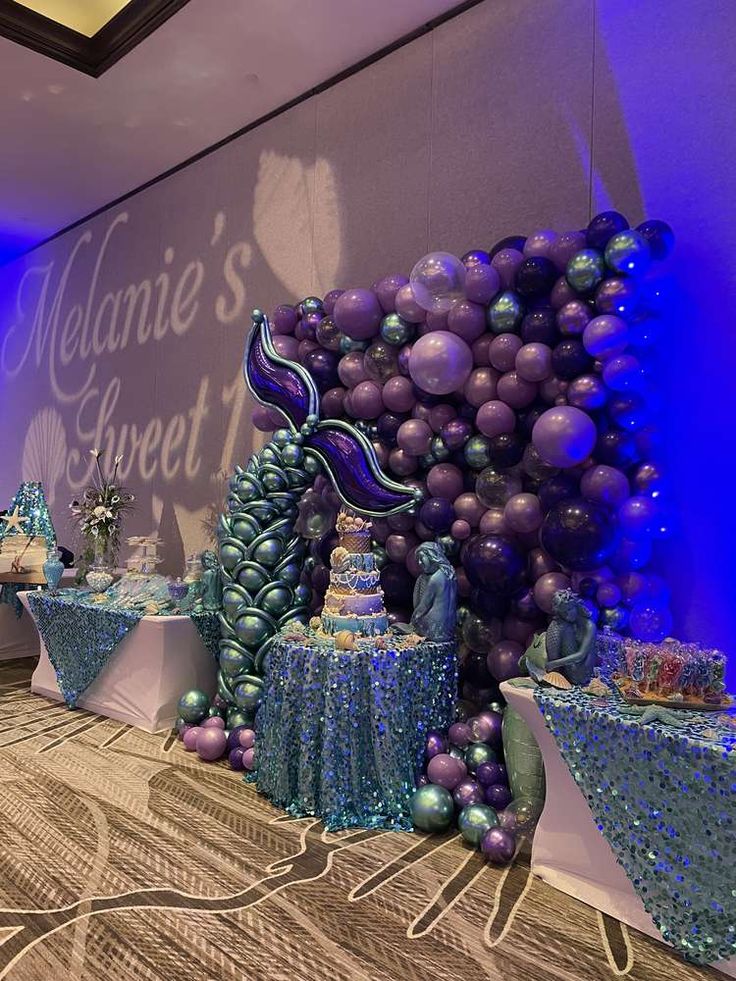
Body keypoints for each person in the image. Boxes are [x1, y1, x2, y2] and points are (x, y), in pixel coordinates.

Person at [409, 542, 457, 642]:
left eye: (421, 558)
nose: (419, 562)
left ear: (432, 556)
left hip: (434, 629)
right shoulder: (451, 573)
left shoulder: (435, 579)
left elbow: (424, 606)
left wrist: (413, 620)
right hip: (449, 628)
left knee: (400, 628)